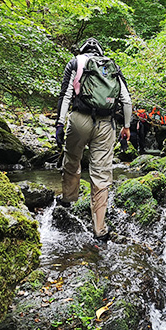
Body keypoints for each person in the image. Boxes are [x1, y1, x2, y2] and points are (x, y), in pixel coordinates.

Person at [55, 37, 132, 241]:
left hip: (80, 119)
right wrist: (126, 127)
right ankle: (99, 229)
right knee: (101, 174)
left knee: (72, 159)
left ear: (83, 50)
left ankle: (68, 199)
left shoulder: (76, 62)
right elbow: (126, 100)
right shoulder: (111, 65)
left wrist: (60, 124)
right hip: (106, 124)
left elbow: (65, 95)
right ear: (100, 51)